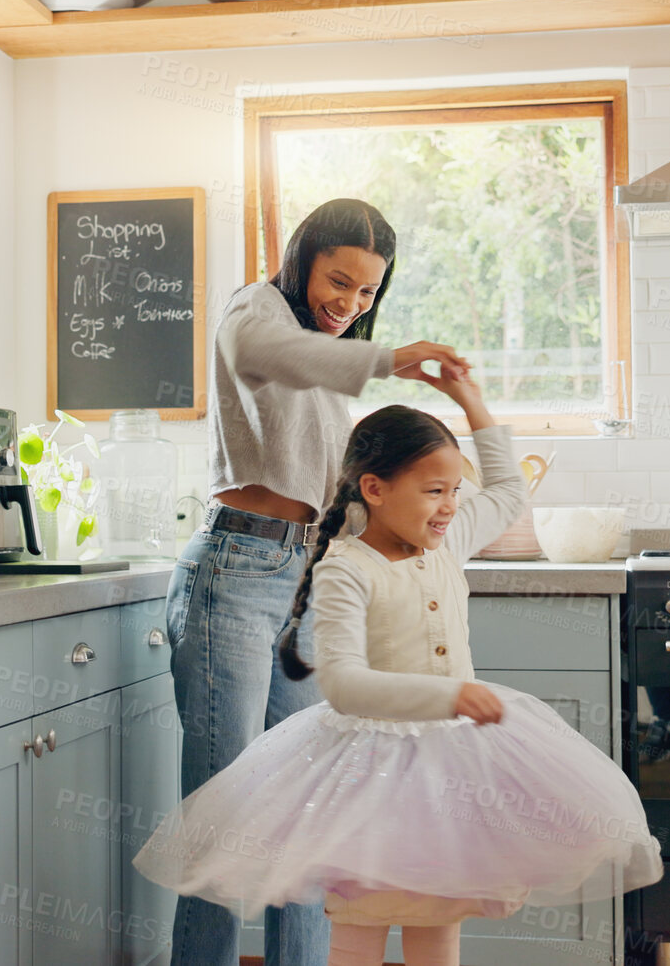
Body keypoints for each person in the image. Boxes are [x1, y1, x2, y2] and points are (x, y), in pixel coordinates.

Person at [138, 371, 664, 966]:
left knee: (439, 925)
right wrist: (449, 699)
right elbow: (342, 685)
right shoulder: (345, 568)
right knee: (362, 929)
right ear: (375, 488)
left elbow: (511, 496)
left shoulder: (451, 538)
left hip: (454, 771)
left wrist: (468, 399)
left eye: (454, 490)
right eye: (433, 491)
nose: (449, 506)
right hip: (370, 780)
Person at [166, 197, 471, 966]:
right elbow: (273, 354)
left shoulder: (333, 359)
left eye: (367, 293)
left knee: (311, 805)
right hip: (235, 572)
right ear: (302, 261)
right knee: (224, 809)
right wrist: (391, 356)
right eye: (338, 281)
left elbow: (342, 488)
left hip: (302, 581)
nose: (349, 303)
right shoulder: (255, 310)